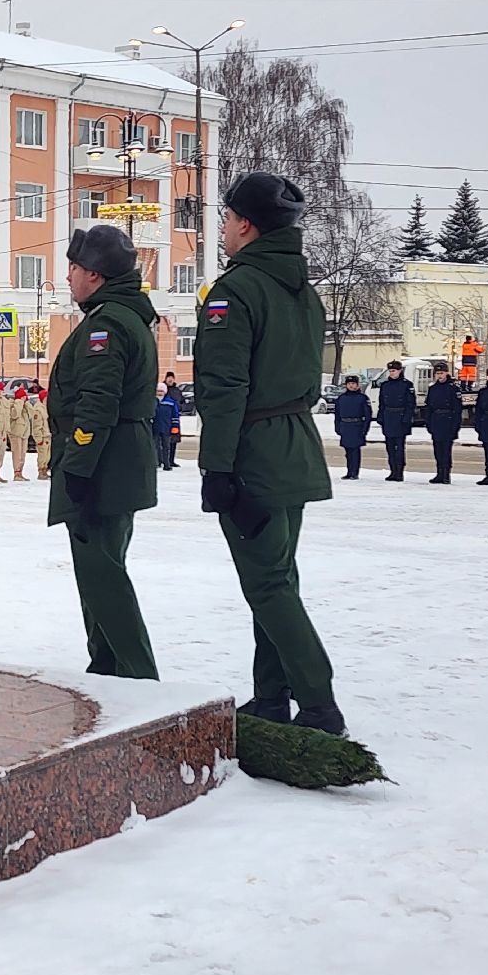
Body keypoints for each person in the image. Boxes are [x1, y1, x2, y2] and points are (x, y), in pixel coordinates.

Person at [194, 171, 342, 734]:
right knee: (278, 577)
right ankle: (273, 698)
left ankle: (319, 704)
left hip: (253, 450)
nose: (224, 231)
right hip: (295, 445)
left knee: (268, 583)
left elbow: (225, 387)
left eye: (228, 220)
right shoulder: (303, 291)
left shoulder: (236, 291)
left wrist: (218, 468)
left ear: (248, 225)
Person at [48, 223, 159, 681]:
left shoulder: (108, 324)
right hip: (117, 461)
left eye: (73, 268)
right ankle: (108, 668)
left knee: (103, 575)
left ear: (93, 273)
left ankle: (138, 675)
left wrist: (77, 464)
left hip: (103, 466)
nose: (68, 277)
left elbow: (97, 402)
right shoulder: (122, 315)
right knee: (100, 570)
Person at [376, 359, 415, 482]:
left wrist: (406, 419)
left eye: (394, 371)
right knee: (390, 447)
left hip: (400, 418)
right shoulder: (385, 385)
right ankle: (392, 470)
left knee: (399, 448)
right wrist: (381, 417)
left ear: (400, 371)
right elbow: (382, 403)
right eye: (390, 371)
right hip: (388, 418)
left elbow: (410, 404)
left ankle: (399, 472)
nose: (392, 373)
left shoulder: (407, 385)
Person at [424, 364, 463, 484]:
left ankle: (446, 474)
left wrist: (455, 425)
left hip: (448, 420)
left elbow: (457, 409)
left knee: (446, 450)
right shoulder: (433, 389)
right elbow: (429, 407)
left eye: (441, 373)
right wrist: (428, 423)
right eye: (437, 374)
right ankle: (439, 473)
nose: (439, 376)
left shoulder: (453, 388)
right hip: (436, 421)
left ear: (446, 373)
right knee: (437, 450)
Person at [332, 374, 372, 480]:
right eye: (349, 384)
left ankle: (355, 472)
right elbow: (337, 415)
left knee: (355, 451)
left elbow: (367, 416)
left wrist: (365, 429)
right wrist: (337, 427)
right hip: (345, 426)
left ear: (358, 385)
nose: (351, 386)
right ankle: (349, 471)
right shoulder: (342, 398)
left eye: (353, 384)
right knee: (348, 451)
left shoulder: (362, 398)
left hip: (357, 426)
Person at [152, 382, 180, 471]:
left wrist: (175, 427)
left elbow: (175, 415)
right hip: (155, 428)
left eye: (161, 391)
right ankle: (156, 462)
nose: (160, 393)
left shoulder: (171, 403)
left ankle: (166, 464)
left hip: (167, 428)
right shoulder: (152, 402)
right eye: (158, 391)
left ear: (165, 392)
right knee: (155, 446)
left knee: (166, 447)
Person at [7, 385, 31, 481]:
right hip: (16, 432)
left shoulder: (25, 406)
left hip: (24, 433)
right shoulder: (13, 404)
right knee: (17, 453)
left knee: (22, 454)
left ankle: (20, 472)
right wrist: (19, 403)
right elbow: (15, 415)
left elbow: (32, 414)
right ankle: (16, 472)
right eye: (23, 397)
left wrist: (27, 404)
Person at [162, 372, 185, 467]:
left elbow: (182, 401)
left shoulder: (177, 390)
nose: (170, 380)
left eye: (172, 378)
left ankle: (171, 460)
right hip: (165, 418)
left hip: (175, 418)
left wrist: (180, 407)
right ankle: (163, 460)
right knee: (163, 440)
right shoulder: (163, 389)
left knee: (173, 440)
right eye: (168, 378)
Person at [30, 386, 52, 481]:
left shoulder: (47, 408)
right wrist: (38, 439)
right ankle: (41, 471)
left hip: (48, 436)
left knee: (48, 456)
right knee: (42, 456)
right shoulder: (38, 410)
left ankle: (45, 470)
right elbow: (36, 426)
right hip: (42, 437)